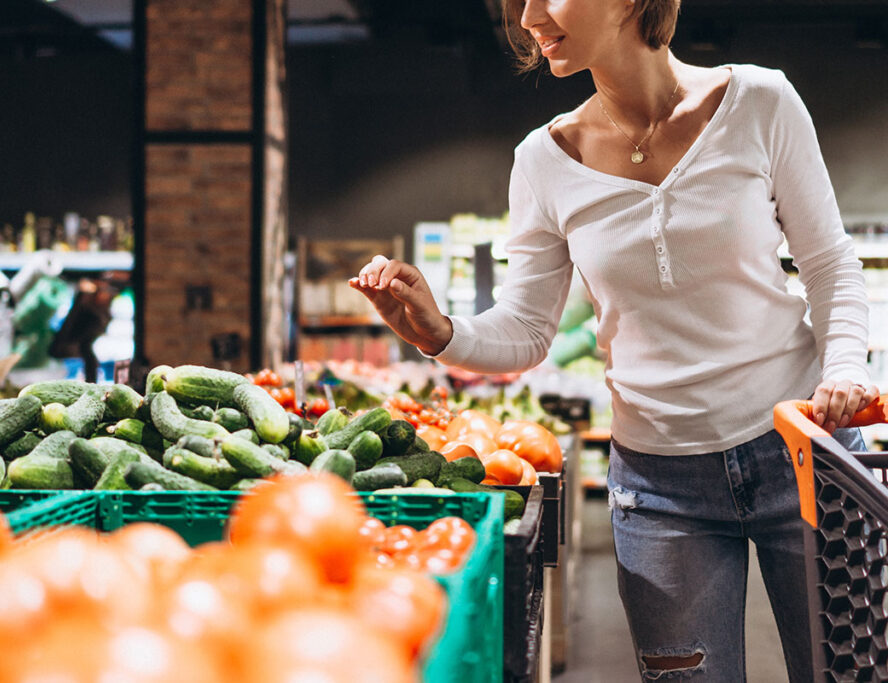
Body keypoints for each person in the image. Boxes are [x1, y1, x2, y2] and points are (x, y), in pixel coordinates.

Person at [349, 0, 880, 680]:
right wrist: (441, 333)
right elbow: (528, 329)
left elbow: (830, 264)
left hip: (808, 454)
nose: (530, 16)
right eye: (519, 1)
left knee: (853, 673)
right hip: (660, 489)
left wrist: (844, 369)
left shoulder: (760, 103)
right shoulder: (543, 160)